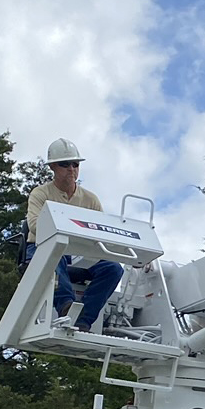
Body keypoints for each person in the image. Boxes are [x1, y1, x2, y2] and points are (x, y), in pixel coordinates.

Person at [24, 138, 123, 333]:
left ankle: (84, 319)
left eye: (75, 164)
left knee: (113, 268)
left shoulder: (90, 199)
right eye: (65, 164)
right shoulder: (40, 194)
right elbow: (34, 225)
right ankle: (66, 307)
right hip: (40, 248)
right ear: (53, 167)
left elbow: (100, 232)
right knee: (55, 253)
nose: (71, 169)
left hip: (77, 253)